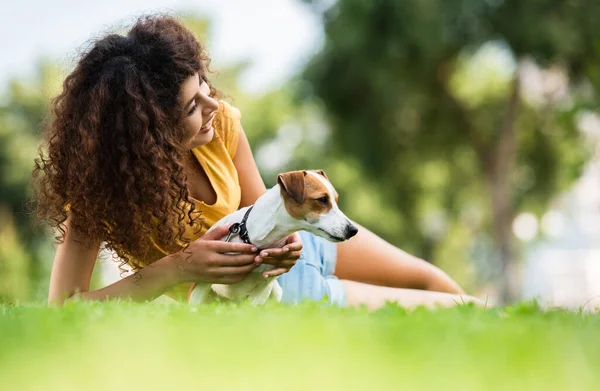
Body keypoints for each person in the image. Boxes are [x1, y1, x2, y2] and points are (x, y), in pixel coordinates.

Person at [34, 15, 482, 309]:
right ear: (146, 130)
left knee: (433, 281)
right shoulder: (100, 194)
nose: (213, 104)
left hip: (308, 247)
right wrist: (177, 268)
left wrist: (283, 244)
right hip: (271, 294)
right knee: (455, 310)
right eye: (192, 106)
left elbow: (263, 207)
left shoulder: (222, 125)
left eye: (205, 86)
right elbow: (65, 307)